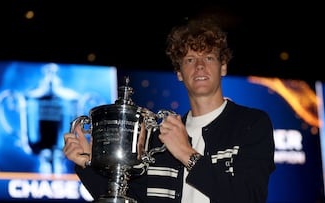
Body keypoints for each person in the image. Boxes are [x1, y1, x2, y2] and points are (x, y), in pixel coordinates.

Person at [63, 14, 276, 203]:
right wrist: (90, 164)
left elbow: (250, 196)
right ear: (179, 73)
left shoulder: (251, 124)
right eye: (190, 60)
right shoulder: (158, 139)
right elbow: (131, 200)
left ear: (223, 67)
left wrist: (187, 154)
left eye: (209, 57)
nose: (199, 66)